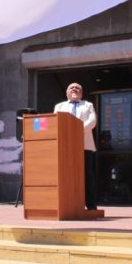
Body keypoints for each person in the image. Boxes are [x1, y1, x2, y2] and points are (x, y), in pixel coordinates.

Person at [54, 83, 98, 211]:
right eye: (71, 88)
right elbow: (55, 123)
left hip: (85, 146)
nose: (74, 89)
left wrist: (75, 130)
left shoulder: (87, 105)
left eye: (78, 88)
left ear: (81, 93)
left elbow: (92, 121)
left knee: (87, 176)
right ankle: (68, 204)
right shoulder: (59, 106)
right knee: (66, 176)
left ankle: (91, 206)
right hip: (65, 147)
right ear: (67, 92)